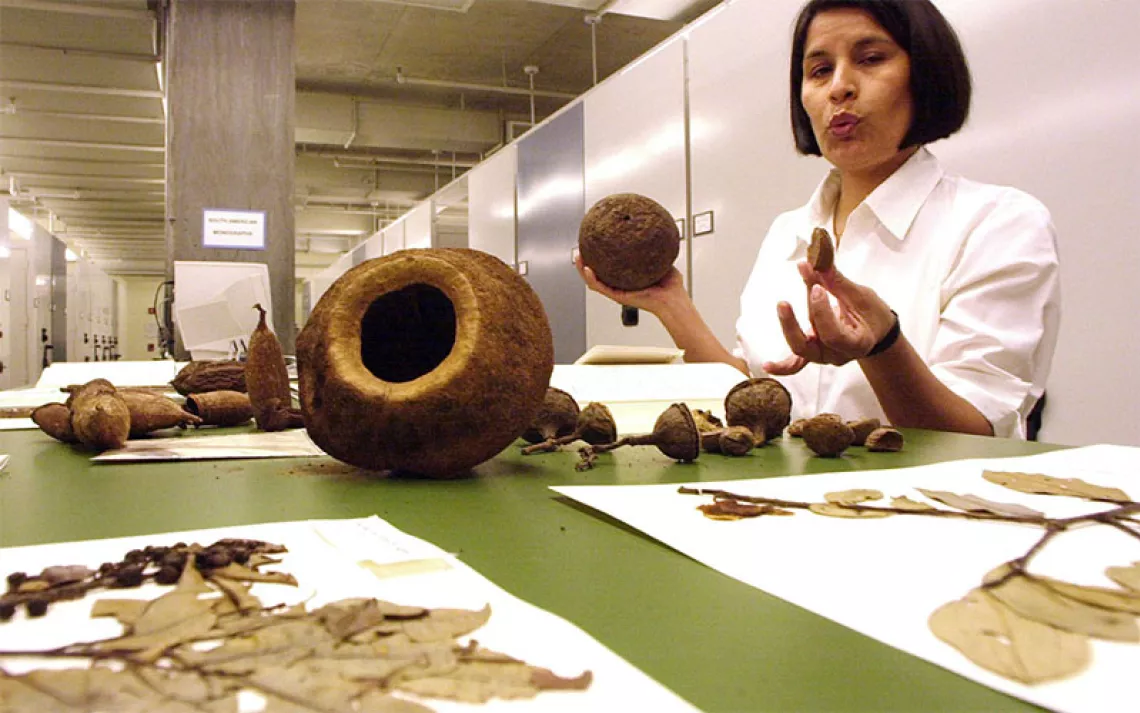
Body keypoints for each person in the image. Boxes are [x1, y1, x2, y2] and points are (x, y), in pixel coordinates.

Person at [575, 0, 1060, 439]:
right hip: (779, 512)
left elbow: (974, 434)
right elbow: (752, 400)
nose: (840, 88)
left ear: (927, 73)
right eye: (819, 70)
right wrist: (669, 304)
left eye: (871, 59)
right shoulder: (788, 233)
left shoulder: (998, 224)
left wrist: (882, 347)